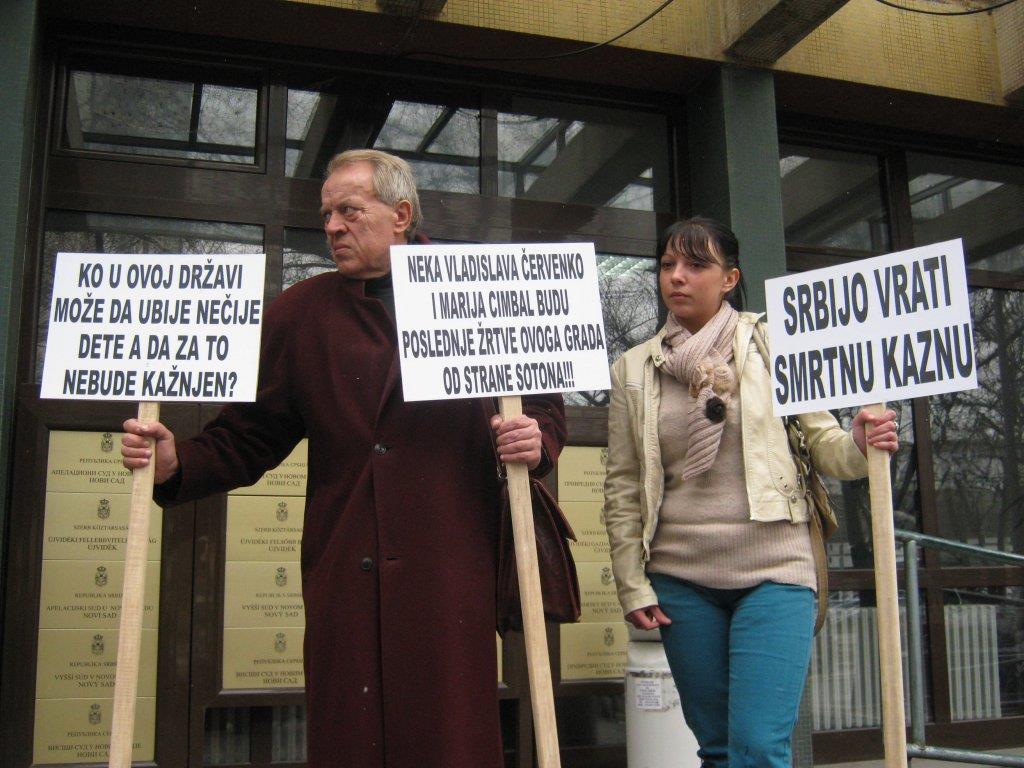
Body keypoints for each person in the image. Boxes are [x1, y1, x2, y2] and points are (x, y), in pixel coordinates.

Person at [121, 149, 566, 768]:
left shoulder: (481, 288)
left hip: (447, 570)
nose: (331, 226)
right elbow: (248, 437)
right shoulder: (300, 315)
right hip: (344, 572)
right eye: (327, 213)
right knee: (351, 739)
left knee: (449, 740)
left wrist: (536, 442)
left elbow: (544, 408)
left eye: (349, 211)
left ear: (401, 213)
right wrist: (175, 463)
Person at [602, 217, 898, 768]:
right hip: (680, 581)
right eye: (668, 265)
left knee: (759, 747)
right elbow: (622, 486)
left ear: (731, 277)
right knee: (717, 750)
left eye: (696, 265)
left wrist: (860, 443)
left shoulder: (774, 345)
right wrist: (631, 584)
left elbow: (828, 445)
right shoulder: (634, 369)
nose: (677, 277)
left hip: (775, 572)